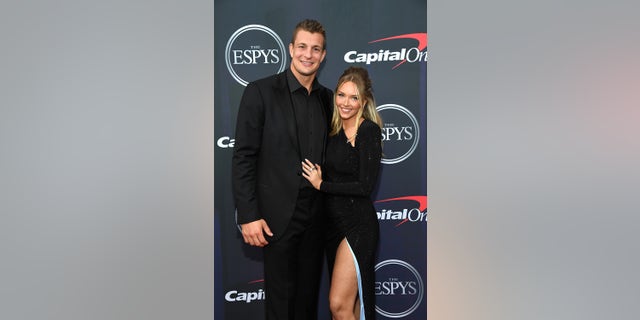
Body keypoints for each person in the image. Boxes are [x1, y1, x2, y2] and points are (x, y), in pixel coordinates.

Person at [231, 19, 332, 320]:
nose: (308, 54)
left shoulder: (330, 100)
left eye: (315, 49)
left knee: (307, 303)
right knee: (281, 307)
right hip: (277, 218)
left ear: (323, 55)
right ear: (290, 49)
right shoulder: (260, 92)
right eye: (302, 46)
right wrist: (248, 215)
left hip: (317, 217)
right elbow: (243, 157)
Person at [301, 66, 383, 320]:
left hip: (357, 226)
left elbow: (365, 186)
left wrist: (321, 184)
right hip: (332, 226)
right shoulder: (333, 132)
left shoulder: (367, 131)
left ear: (364, 102)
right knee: (348, 307)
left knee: (338, 304)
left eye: (354, 97)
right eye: (341, 95)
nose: (346, 103)